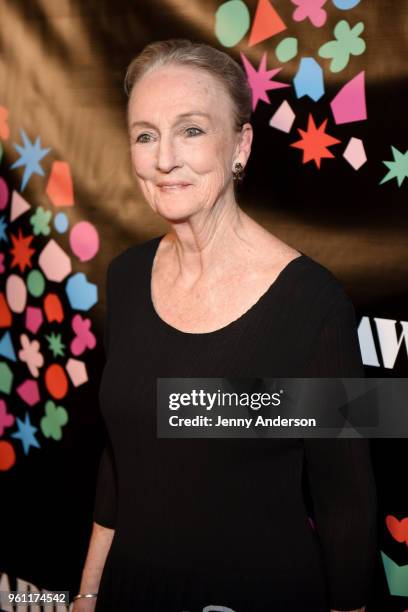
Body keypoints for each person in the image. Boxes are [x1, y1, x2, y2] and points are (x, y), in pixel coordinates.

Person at [73, 39, 377, 612]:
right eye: (145, 134)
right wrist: (88, 594)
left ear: (241, 145)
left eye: (191, 130)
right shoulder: (126, 277)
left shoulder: (316, 303)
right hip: (132, 591)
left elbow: (347, 505)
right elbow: (121, 459)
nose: (164, 158)